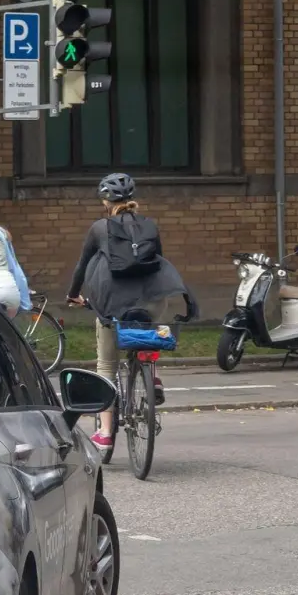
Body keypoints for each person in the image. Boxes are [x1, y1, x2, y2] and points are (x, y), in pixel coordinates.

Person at [66, 172, 196, 451]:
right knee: (148, 331)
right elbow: (158, 261)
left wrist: (73, 294)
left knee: (106, 365)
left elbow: (82, 265)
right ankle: (152, 372)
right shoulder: (149, 225)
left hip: (115, 304)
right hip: (152, 299)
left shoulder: (100, 228)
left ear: (105, 201)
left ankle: (104, 431)